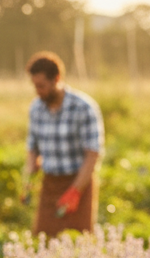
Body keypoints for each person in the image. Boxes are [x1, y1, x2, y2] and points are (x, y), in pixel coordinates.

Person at [21, 51, 104, 236]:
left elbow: (93, 154)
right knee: (44, 239)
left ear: (56, 79)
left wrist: (75, 191)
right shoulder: (36, 108)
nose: (38, 91)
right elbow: (33, 149)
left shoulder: (83, 107)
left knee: (80, 240)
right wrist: (28, 181)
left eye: (41, 86)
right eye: (35, 86)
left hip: (78, 182)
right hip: (49, 183)